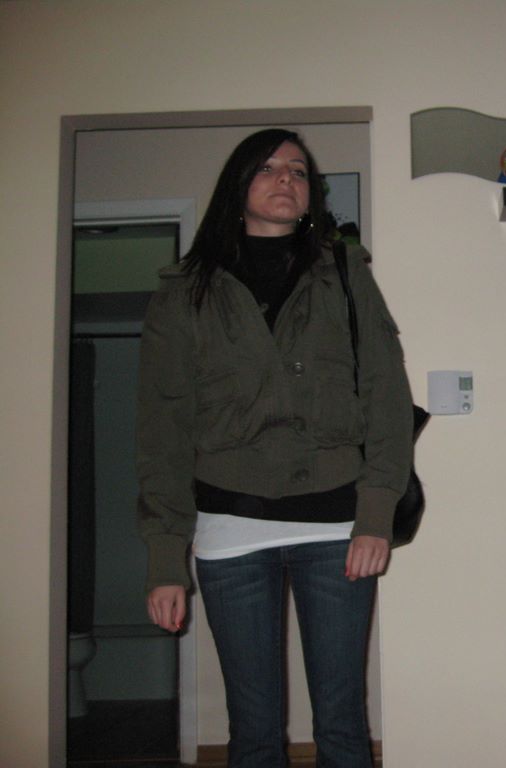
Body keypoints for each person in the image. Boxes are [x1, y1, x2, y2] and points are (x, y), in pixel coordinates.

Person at [137, 128, 413, 767]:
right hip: (229, 526)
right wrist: (165, 558)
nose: (286, 178)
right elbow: (162, 428)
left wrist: (375, 516)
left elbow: (385, 394)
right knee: (254, 730)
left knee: (342, 724)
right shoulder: (185, 290)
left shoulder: (344, 271)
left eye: (298, 170)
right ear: (237, 186)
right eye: (267, 168)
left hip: (335, 525)